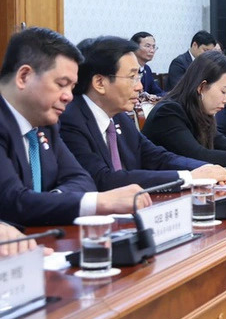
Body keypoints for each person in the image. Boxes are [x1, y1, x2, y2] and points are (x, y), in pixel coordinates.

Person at [0, 27, 150, 227]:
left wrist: (51, 200)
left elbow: (82, 179)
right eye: (61, 84)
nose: (69, 96)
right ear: (24, 77)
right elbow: (13, 202)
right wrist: (101, 201)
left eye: (71, 87)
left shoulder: (46, 125)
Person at [59, 36, 226, 191]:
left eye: (139, 77)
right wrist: (189, 177)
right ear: (99, 82)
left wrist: (206, 170)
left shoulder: (118, 117)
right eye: (132, 77)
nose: (139, 87)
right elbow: (103, 179)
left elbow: (156, 157)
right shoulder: (70, 120)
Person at [142, 51, 226, 168]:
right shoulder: (168, 112)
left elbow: (224, 144)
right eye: (223, 91)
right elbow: (198, 155)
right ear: (202, 87)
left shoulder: (200, 110)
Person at [131, 31, 163, 97]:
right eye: (148, 46)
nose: (152, 51)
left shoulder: (147, 69)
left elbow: (158, 92)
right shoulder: (126, 69)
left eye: (154, 47)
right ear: (134, 48)